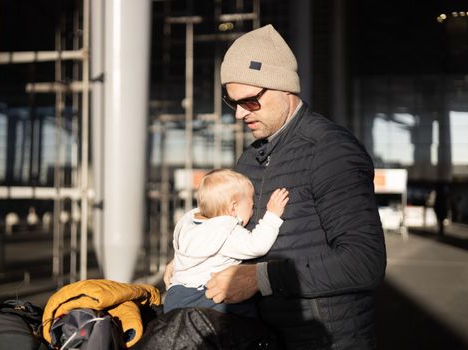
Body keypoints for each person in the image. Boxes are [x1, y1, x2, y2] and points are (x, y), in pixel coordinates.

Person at [165, 24, 387, 349]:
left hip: (326, 341)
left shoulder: (330, 150)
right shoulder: (249, 160)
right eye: (233, 102)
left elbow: (364, 263)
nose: (240, 113)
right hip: (264, 338)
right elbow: (234, 233)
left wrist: (261, 279)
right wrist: (195, 260)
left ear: (284, 88)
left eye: (251, 101)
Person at [164, 169, 289, 318]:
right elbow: (257, 245)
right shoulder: (226, 231)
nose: (252, 212)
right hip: (203, 297)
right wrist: (272, 215)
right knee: (245, 313)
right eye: (251, 206)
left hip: (174, 296)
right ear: (233, 207)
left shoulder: (189, 223)